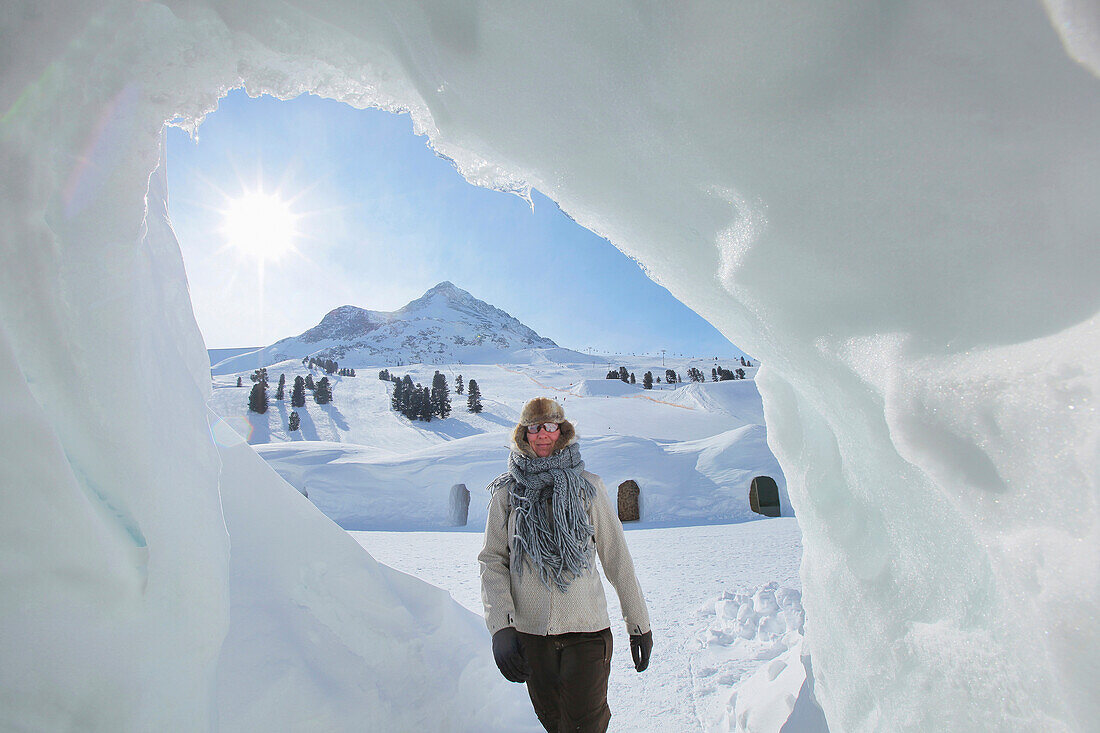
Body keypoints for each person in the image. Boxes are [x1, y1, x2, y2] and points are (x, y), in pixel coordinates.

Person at [479, 396, 652, 732]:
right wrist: (501, 627)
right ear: (523, 434)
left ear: (562, 431)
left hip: (587, 634)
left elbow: (616, 557)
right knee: (553, 724)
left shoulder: (589, 487)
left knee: (585, 727)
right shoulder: (507, 492)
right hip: (532, 638)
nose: (542, 434)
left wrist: (639, 624)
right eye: (534, 427)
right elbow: (493, 561)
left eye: (550, 426)